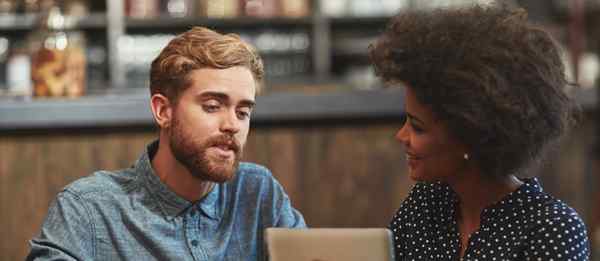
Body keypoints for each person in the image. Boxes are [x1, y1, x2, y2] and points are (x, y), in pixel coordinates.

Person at [27, 27, 306, 260]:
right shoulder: (88, 209)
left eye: (243, 112)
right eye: (212, 106)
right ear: (163, 111)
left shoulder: (258, 193)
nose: (232, 124)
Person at [369, 4, 590, 260]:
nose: (401, 136)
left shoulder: (553, 229)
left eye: (417, 127)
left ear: (470, 133)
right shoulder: (425, 205)